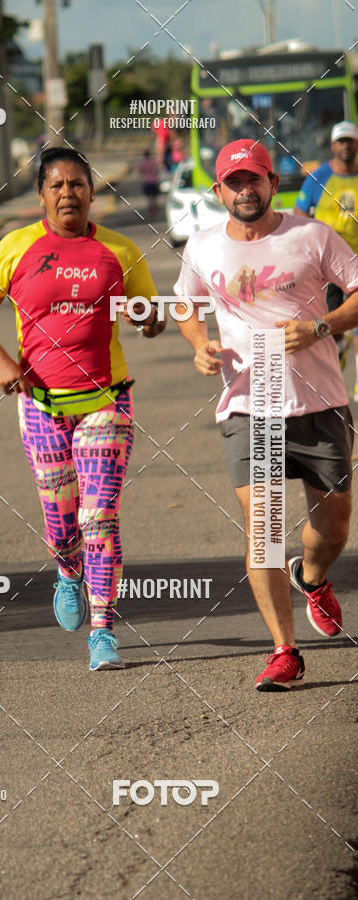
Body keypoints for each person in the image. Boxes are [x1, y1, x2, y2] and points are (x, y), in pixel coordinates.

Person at [0, 147, 165, 671]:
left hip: (107, 400)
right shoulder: (16, 247)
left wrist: (151, 319)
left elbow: (148, 309)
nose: (68, 193)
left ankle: (104, 631)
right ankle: (67, 570)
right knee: (62, 521)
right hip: (41, 403)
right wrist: (1, 363)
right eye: (57, 185)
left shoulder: (120, 251)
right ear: (41, 195)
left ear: (93, 192)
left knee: (100, 517)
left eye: (77, 184)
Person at [174, 138, 358, 691]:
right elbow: (185, 302)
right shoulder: (203, 247)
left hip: (320, 403)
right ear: (218, 191)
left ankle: (314, 578)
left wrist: (322, 325)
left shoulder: (311, 235)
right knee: (265, 529)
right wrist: (198, 343)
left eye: (254, 179)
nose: (245, 190)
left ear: (273, 183)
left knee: (332, 528)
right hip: (249, 408)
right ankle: (284, 650)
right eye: (234, 182)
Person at [295, 120, 358, 378]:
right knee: (333, 322)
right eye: (341, 141)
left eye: (350, 140)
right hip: (328, 264)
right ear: (333, 145)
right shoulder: (318, 178)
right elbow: (300, 215)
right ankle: (338, 350)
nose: (346, 146)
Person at [138, 150, 159, 218]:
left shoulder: (142, 163)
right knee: (154, 197)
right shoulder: (153, 162)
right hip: (154, 181)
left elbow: (140, 171)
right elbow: (157, 170)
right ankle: (154, 208)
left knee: (149, 198)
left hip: (146, 181)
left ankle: (151, 210)